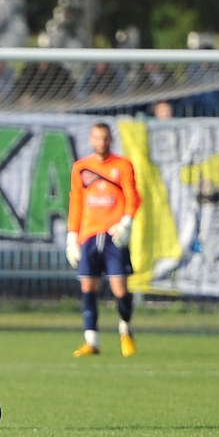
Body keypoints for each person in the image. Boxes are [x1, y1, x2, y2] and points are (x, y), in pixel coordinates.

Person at [66, 122, 142, 358]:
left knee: (120, 288)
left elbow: (132, 195)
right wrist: (71, 236)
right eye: (97, 138)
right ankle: (92, 341)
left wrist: (126, 222)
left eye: (105, 138)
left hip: (113, 235)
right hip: (88, 235)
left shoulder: (123, 165)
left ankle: (125, 330)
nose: (101, 142)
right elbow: (76, 201)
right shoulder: (81, 167)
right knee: (87, 287)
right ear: (91, 139)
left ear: (111, 140)